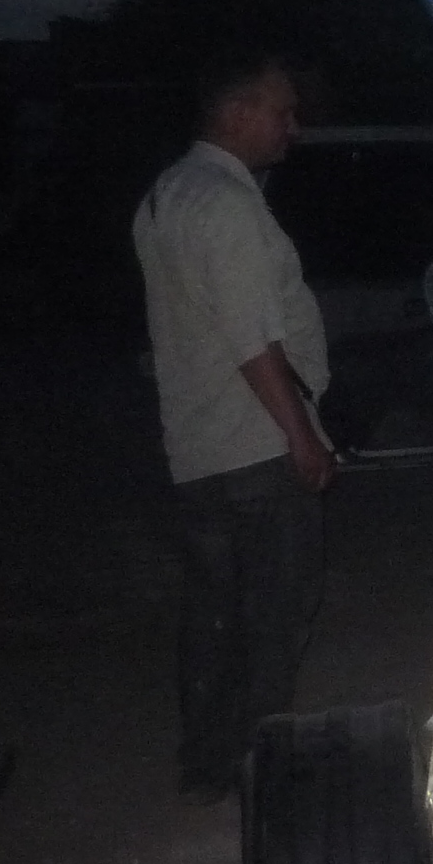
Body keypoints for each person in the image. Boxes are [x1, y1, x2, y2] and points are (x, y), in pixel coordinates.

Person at [131, 51, 336, 800]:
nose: (292, 127)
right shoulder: (225, 204)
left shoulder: (167, 194)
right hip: (253, 446)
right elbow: (253, 341)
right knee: (273, 612)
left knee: (215, 612)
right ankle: (261, 765)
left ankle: (209, 760)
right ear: (238, 112)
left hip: (199, 446)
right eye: (282, 112)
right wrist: (301, 436)